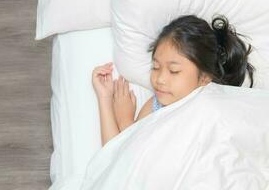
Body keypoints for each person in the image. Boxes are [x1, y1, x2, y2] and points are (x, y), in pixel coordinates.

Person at [92, 15, 254, 146]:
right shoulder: (157, 104)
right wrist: (104, 98)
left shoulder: (212, 111)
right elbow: (117, 158)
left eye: (174, 71)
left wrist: (125, 120)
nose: (160, 79)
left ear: (204, 77)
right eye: (155, 67)